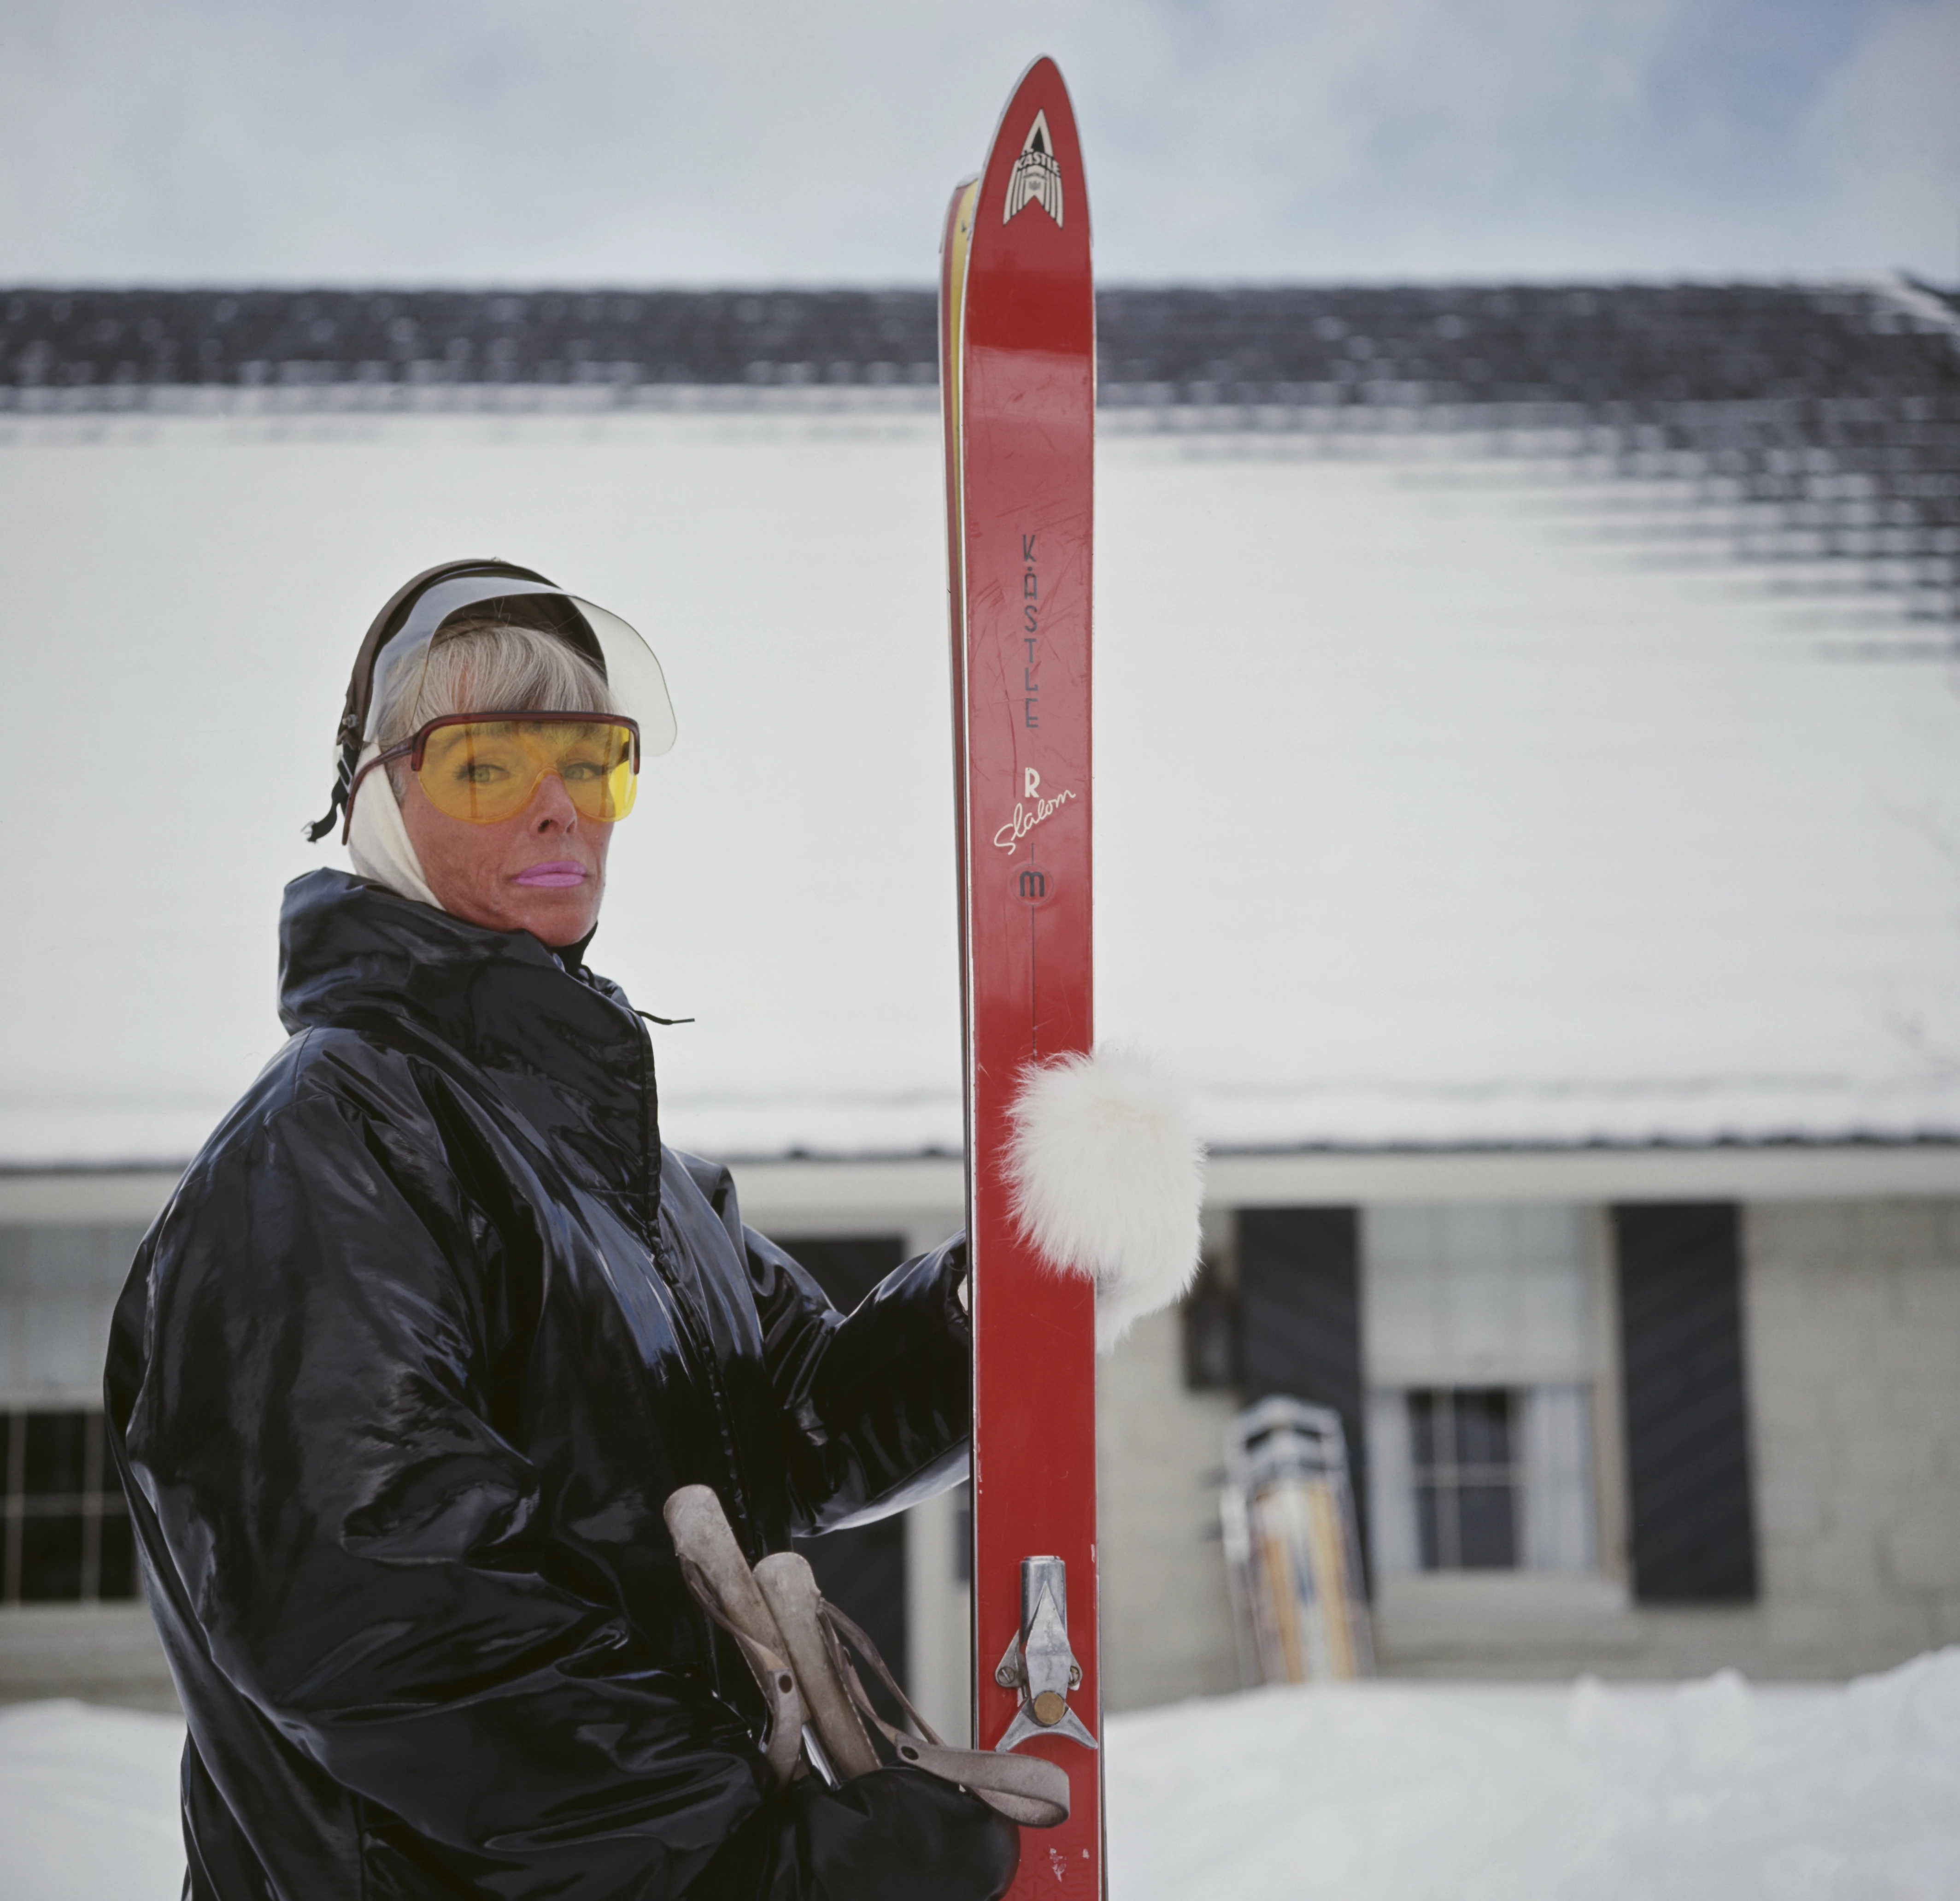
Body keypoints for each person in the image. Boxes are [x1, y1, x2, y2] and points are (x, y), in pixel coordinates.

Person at [105, 561, 1038, 1900]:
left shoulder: (633, 1179)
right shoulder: (331, 1148)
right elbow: (379, 1611)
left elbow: (799, 1422)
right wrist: (745, 1855)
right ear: (380, 805)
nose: (560, 805)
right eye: (486, 765)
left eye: (594, 761)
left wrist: (1002, 1295)